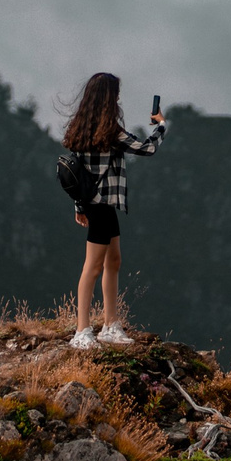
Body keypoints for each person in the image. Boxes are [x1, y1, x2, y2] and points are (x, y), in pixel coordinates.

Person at [59, 71, 166, 347]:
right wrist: (161, 125)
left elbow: (79, 173)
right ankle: (82, 331)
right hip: (102, 205)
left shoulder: (81, 129)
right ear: (108, 98)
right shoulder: (111, 131)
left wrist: (79, 206)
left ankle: (110, 324)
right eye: (115, 95)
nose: (118, 100)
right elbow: (147, 149)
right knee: (93, 266)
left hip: (98, 205)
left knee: (113, 261)